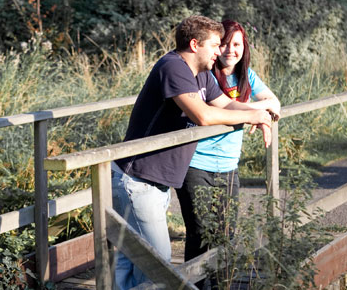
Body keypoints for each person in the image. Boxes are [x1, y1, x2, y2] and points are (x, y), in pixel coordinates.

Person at [111, 16, 273, 290]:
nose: (219, 52)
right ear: (194, 44)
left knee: (133, 261)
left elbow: (226, 104)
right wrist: (251, 116)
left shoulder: (201, 74)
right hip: (137, 179)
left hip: (155, 181)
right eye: (214, 45)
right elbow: (202, 115)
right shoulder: (173, 67)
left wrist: (261, 113)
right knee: (158, 266)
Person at [175, 19, 281, 265]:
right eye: (223, 44)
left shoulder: (247, 76)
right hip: (197, 163)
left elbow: (274, 103)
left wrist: (262, 115)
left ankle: (221, 282)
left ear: (244, 47)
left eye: (237, 44)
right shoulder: (205, 74)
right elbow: (210, 111)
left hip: (228, 165)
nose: (230, 50)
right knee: (200, 234)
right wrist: (255, 113)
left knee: (225, 234)